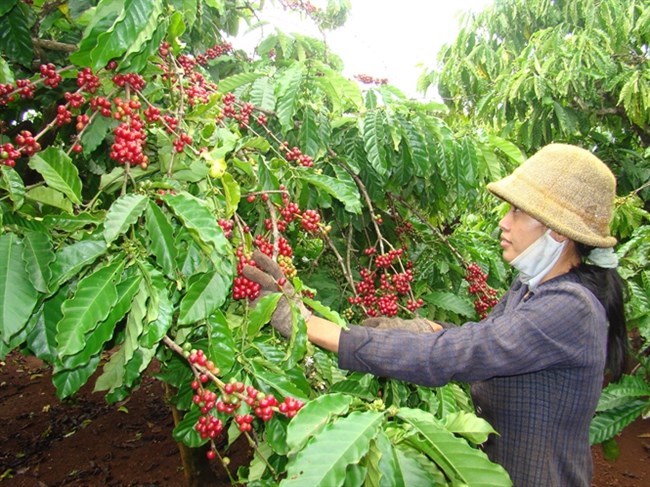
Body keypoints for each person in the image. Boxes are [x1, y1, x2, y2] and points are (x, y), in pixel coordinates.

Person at [243, 143, 628, 487]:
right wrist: (424, 328)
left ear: (558, 232)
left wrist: (311, 325)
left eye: (517, 211)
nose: (504, 222)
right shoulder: (531, 287)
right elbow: (493, 335)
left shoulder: (570, 308)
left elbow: (465, 353)